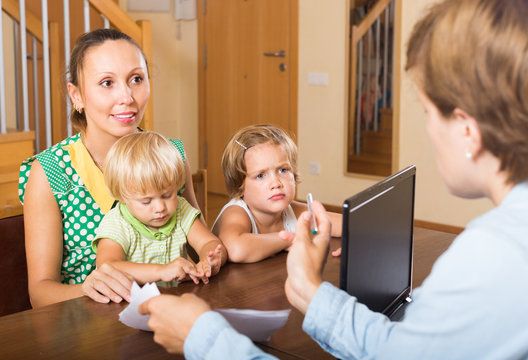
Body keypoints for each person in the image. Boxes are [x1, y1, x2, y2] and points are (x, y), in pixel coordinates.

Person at [138, 0, 528, 358]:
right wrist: (311, 290)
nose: (428, 130)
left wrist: (201, 337)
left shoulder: (495, 255)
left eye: (428, 112)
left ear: (467, 131)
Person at [19, 29, 203, 308]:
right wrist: (87, 288)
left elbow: (198, 243)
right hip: (89, 330)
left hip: (169, 318)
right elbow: (40, 293)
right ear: (76, 95)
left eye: (136, 79)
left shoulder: (172, 154)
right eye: (107, 82)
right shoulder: (49, 173)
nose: (127, 97)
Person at [93, 131, 226, 285]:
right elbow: (107, 267)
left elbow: (209, 243)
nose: (160, 208)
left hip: (175, 301)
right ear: (123, 197)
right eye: (146, 201)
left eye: (167, 195)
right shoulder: (117, 222)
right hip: (134, 304)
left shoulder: (181, 209)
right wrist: (162, 271)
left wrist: (210, 260)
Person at [211, 124, 342, 263]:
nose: (276, 183)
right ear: (240, 186)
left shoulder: (293, 210)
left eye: (283, 170)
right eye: (261, 176)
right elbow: (235, 249)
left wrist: (351, 245)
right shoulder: (236, 212)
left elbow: (347, 225)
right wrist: (288, 240)